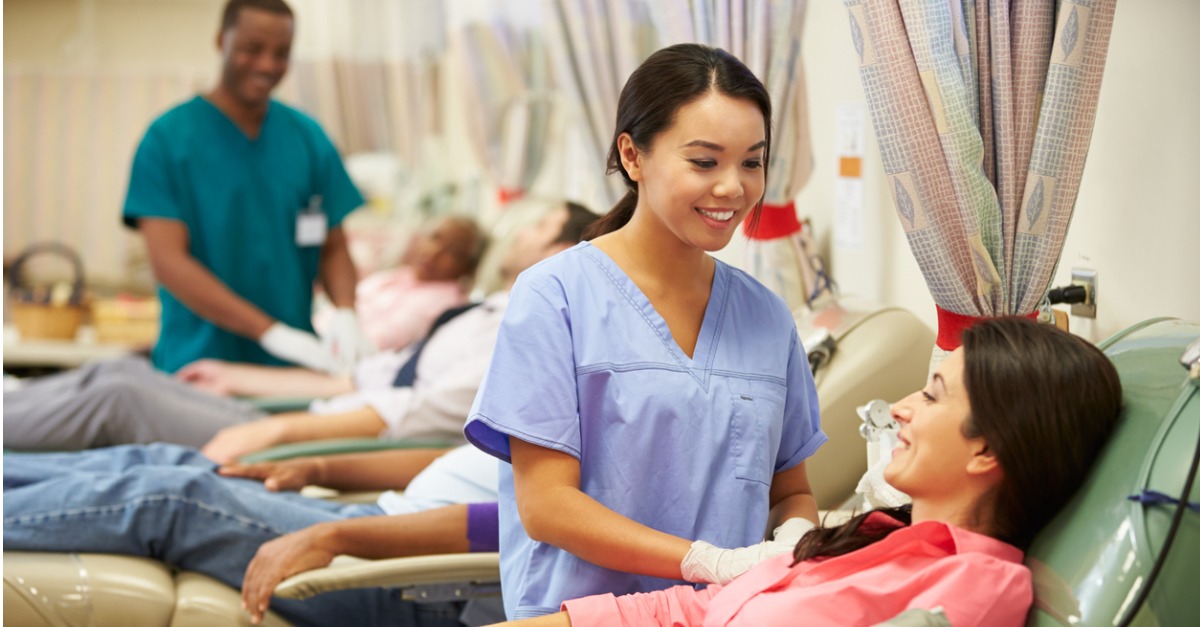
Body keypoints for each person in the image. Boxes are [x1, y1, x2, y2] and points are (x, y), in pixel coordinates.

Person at [463, 43, 826, 619]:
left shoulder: (766, 317)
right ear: (633, 156)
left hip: (724, 617)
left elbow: (789, 491)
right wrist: (705, 562)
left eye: (752, 162)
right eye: (704, 162)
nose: (733, 187)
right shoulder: (555, 296)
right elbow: (547, 506)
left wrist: (794, 538)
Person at [494, 317, 1124, 627]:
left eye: (931, 396)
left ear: (987, 451)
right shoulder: (875, 535)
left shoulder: (977, 586)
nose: (901, 408)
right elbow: (690, 612)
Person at [1, 201, 597, 459]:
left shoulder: (520, 334)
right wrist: (242, 375)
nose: (518, 237)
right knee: (120, 370)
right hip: (315, 411)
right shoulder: (488, 309)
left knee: (120, 395)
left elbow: (417, 410)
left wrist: (282, 424)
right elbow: (364, 376)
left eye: (537, 229)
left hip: (321, 436)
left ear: (566, 251)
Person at [123, 0, 370, 374]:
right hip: (198, 364)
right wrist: (269, 332)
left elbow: (334, 248)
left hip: (292, 371)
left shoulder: (308, 139)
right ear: (222, 41)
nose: (268, 65)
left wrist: (346, 312)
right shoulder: (166, 141)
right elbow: (168, 263)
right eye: (252, 49)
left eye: (281, 53)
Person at [3, 443, 496, 627]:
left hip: (424, 579)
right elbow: (447, 454)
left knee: (173, 499)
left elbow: (504, 524)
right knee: (174, 460)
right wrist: (318, 464)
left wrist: (333, 536)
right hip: (385, 516)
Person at [310, 214, 488, 353]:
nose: (434, 252)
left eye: (453, 251)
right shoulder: (400, 276)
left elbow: (374, 345)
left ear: (467, 268)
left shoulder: (442, 305)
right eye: (435, 238)